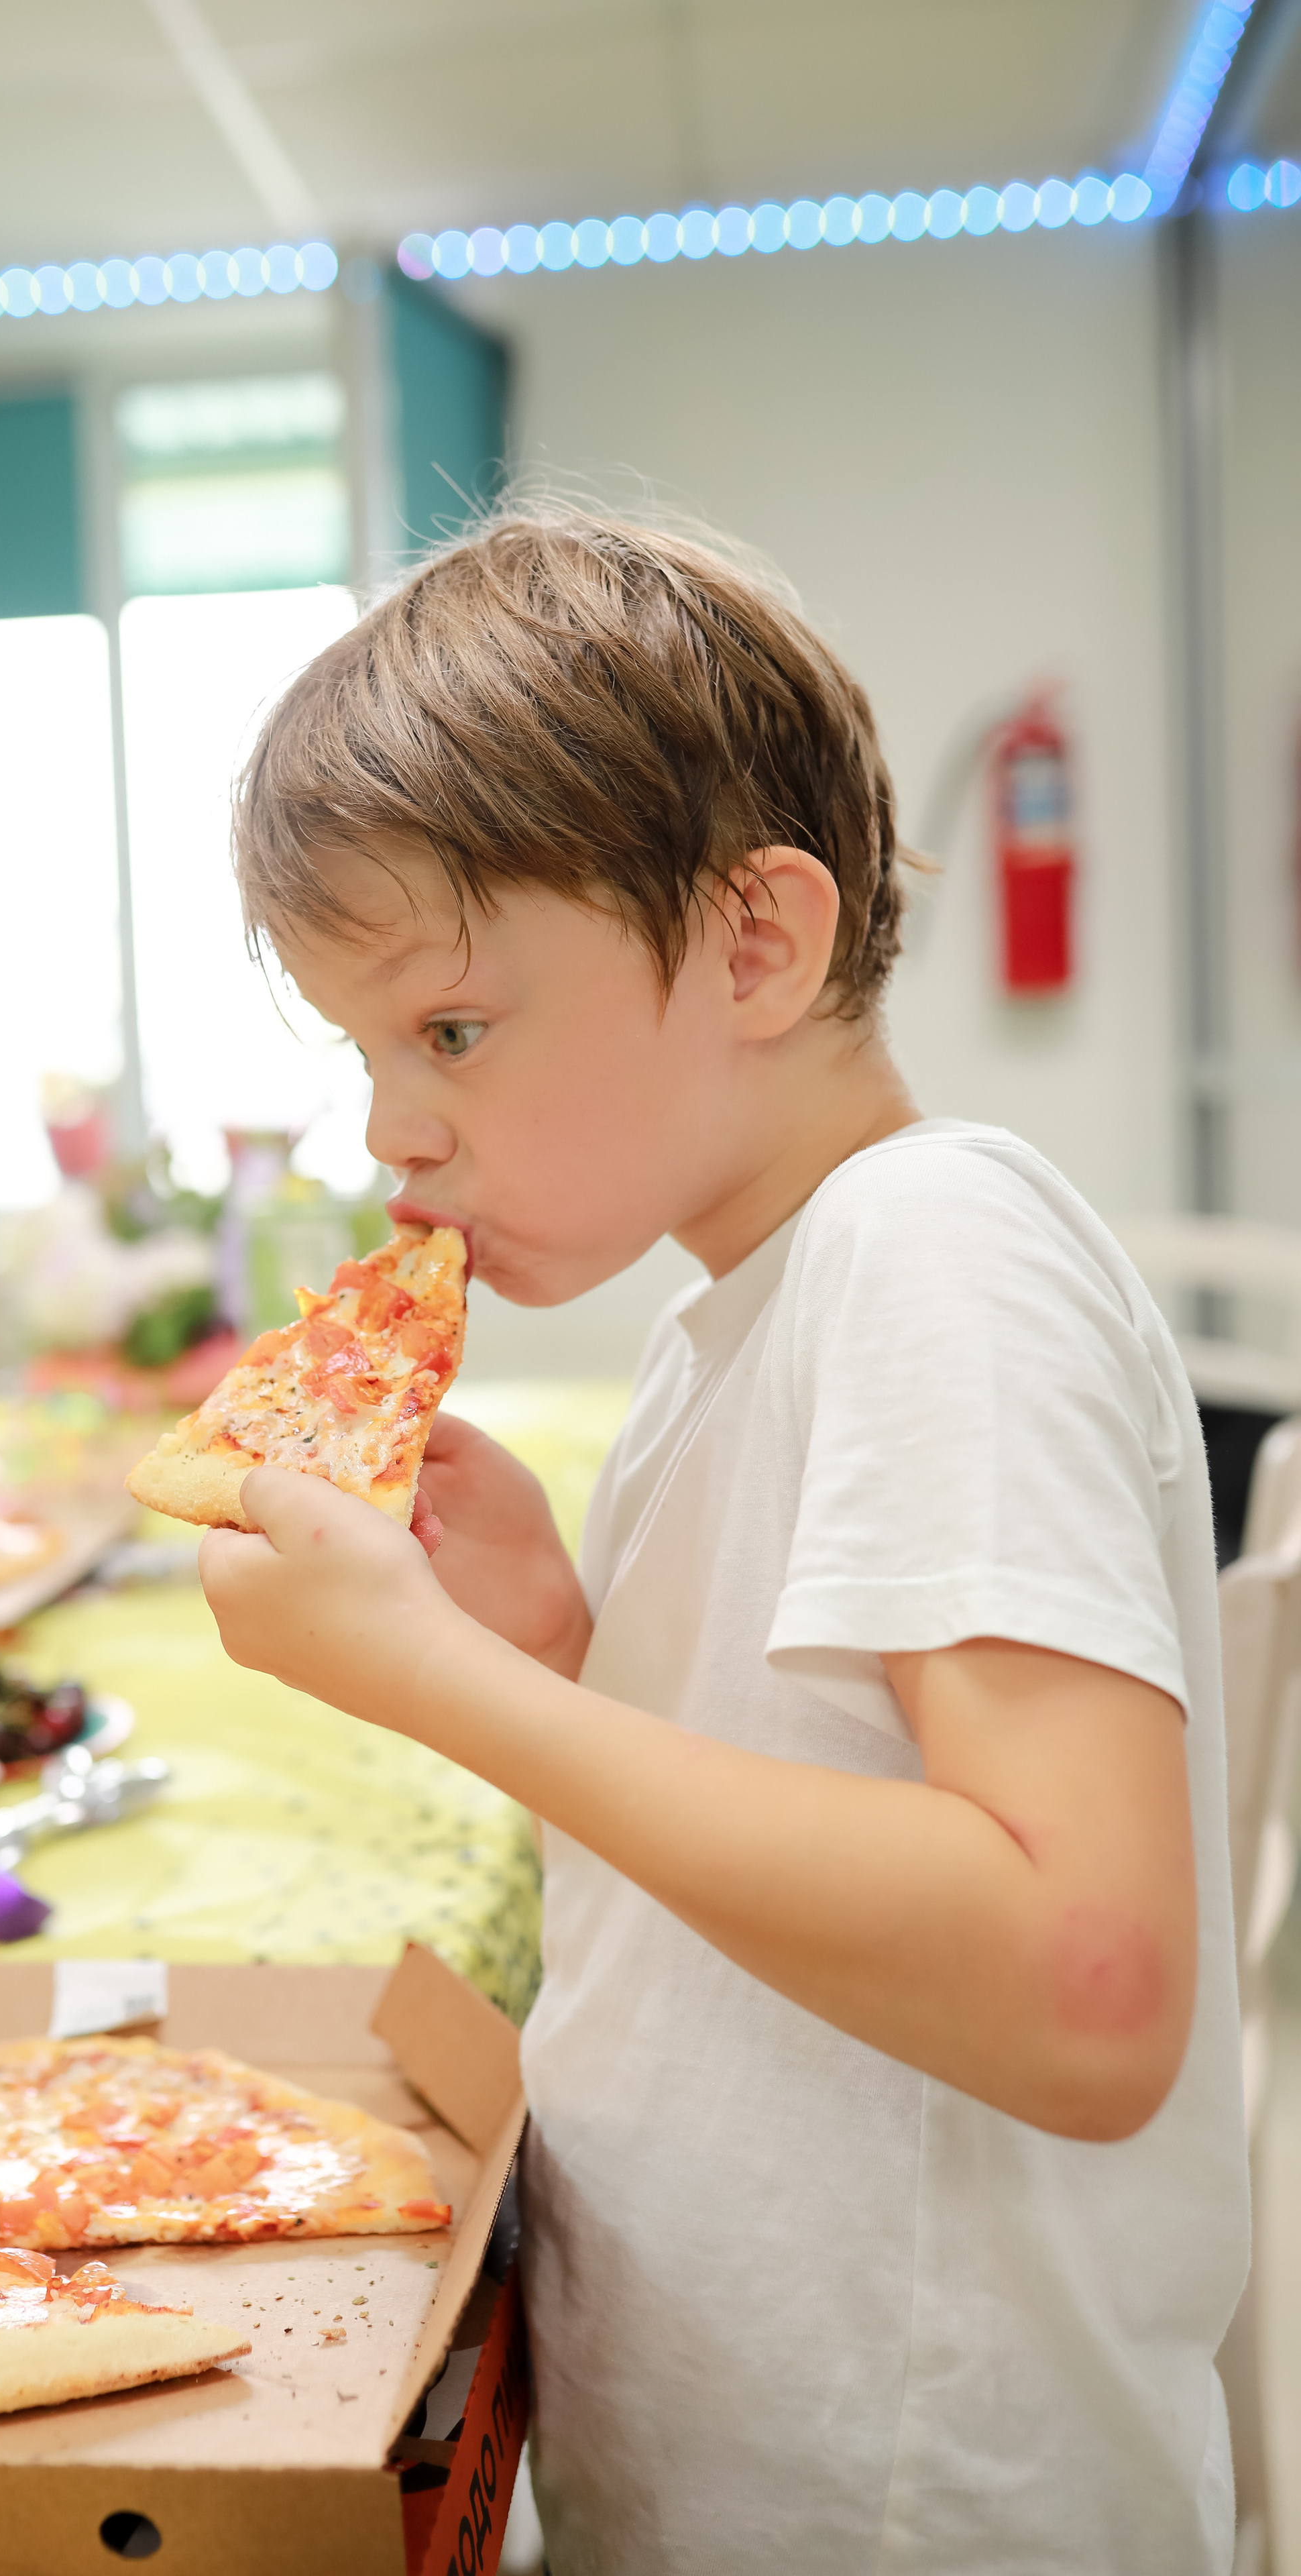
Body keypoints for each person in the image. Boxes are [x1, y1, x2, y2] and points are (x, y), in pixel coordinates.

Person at [192, 507, 1248, 2573]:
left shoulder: (935, 1256)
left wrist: (452, 1685)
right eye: (367, 1055)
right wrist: (565, 1646)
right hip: (740, 2476)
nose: (392, 1130)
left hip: (921, 2516)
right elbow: (800, 1811)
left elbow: (1087, 1986)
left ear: (756, 944)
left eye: (451, 1031)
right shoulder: (724, 1325)